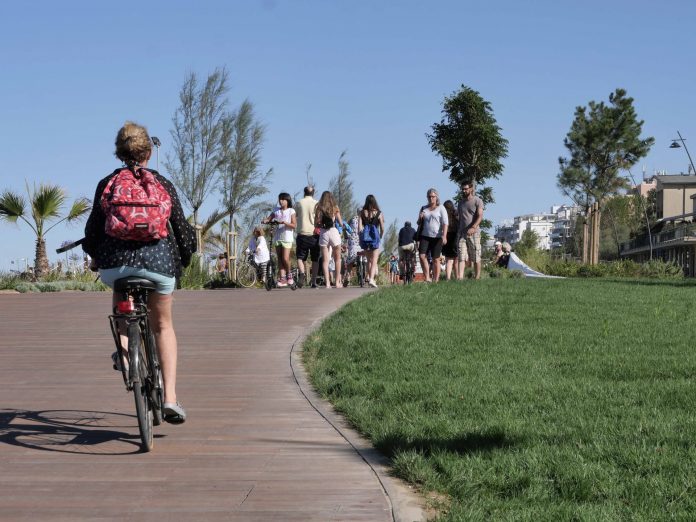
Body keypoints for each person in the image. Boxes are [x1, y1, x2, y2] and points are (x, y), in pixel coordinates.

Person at [83, 121, 197, 424]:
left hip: (116, 265)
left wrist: (97, 257)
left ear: (120, 153)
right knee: (163, 326)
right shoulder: (162, 183)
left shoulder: (107, 183)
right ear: (147, 151)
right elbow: (183, 232)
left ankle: (123, 352)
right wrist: (183, 259)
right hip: (159, 265)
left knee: (120, 291)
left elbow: (92, 231)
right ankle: (170, 398)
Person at [262, 193, 296, 287]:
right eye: (280, 199)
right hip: (278, 237)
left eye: (283, 199)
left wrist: (284, 222)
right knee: (280, 259)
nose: (281, 201)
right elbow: (269, 219)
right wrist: (265, 221)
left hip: (287, 237)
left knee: (285, 258)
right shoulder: (276, 210)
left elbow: (294, 225)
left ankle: (289, 275)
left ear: (287, 200)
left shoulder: (291, 211)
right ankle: (282, 278)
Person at [417, 188, 448, 283]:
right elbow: (418, 223)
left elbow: (445, 223)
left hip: (437, 236)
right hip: (425, 235)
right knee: (422, 256)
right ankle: (427, 277)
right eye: (429, 196)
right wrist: (420, 217)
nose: (431, 198)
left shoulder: (441, 208)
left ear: (436, 197)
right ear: (427, 197)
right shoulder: (423, 208)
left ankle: (436, 279)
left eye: (433, 196)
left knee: (436, 259)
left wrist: (444, 235)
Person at [315, 191, 343, 289]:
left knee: (325, 260)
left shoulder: (319, 207)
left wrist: (320, 225)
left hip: (323, 233)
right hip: (333, 232)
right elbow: (340, 222)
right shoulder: (335, 207)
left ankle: (327, 283)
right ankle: (337, 282)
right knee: (337, 259)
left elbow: (316, 223)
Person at [456, 180, 484, 280]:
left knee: (476, 256)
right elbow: (459, 217)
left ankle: (477, 278)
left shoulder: (478, 201)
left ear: (471, 189)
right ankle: (460, 278)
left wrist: (473, 227)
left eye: (466, 189)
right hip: (462, 233)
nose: (464, 191)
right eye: (462, 189)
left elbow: (480, 216)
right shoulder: (460, 203)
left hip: (474, 233)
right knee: (461, 256)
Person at [294, 186, 320, 288]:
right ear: (313, 193)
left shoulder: (299, 203)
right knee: (315, 259)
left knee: (300, 257)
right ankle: (313, 282)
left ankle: (302, 273)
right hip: (314, 234)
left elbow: (294, 215)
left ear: (304, 192)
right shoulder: (317, 204)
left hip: (302, 233)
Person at [358, 195, 384, 288]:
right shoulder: (379, 213)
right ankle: (372, 279)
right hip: (375, 237)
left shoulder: (361, 213)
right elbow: (382, 227)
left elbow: (359, 228)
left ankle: (370, 278)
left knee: (369, 260)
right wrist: (380, 235)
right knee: (374, 260)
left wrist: (361, 236)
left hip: (365, 237)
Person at [442, 200, 459, 280]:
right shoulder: (455, 214)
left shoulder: (443, 215)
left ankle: (448, 278)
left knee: (448, 259)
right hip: (455, 236)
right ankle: (457, 277)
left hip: (447, 236)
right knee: (456, 259)